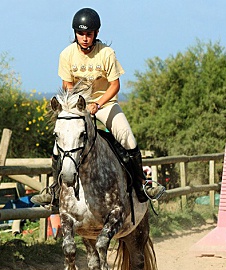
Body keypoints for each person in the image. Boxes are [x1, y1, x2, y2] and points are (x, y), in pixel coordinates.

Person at [31, 7, 165, 206]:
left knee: (127, 137)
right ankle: (55, 191)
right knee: (60, 146)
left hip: (105, 103)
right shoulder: (66, 55)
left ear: (96, 33)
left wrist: (97, 104)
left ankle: (142, 185)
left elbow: (115, 85)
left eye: (89, 34)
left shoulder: (106, 53)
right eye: (81, 34)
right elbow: (67, 86)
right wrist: (77, 106)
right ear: (75, 33)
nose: (85, 38)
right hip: (78, 106)